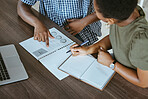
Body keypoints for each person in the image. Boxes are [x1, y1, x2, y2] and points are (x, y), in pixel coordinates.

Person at [70, 0, 148, 88]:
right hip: (120, 68)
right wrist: (89, 49)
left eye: (96, 11)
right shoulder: (124, 13)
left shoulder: (142, 40)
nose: (95, 13)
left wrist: (111, 63)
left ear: (110, 20)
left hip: (133, 83)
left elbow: (143, 82)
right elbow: (114, 37)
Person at [17, 0, 102, 47]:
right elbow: (22, 5)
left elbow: (107, 10)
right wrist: (37, 24)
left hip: (84, 29)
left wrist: (83, 22)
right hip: (49, 28)